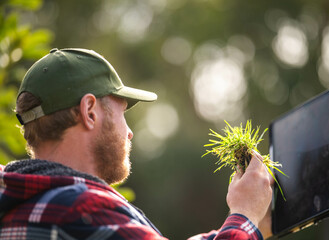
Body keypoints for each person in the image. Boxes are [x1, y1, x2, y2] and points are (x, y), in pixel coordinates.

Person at [0, 48, 273, 239]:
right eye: (121, 113)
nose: (129, 133)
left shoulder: (23, 200)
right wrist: (244, 213)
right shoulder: (82, 207)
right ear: (90, 111)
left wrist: (250, 226)